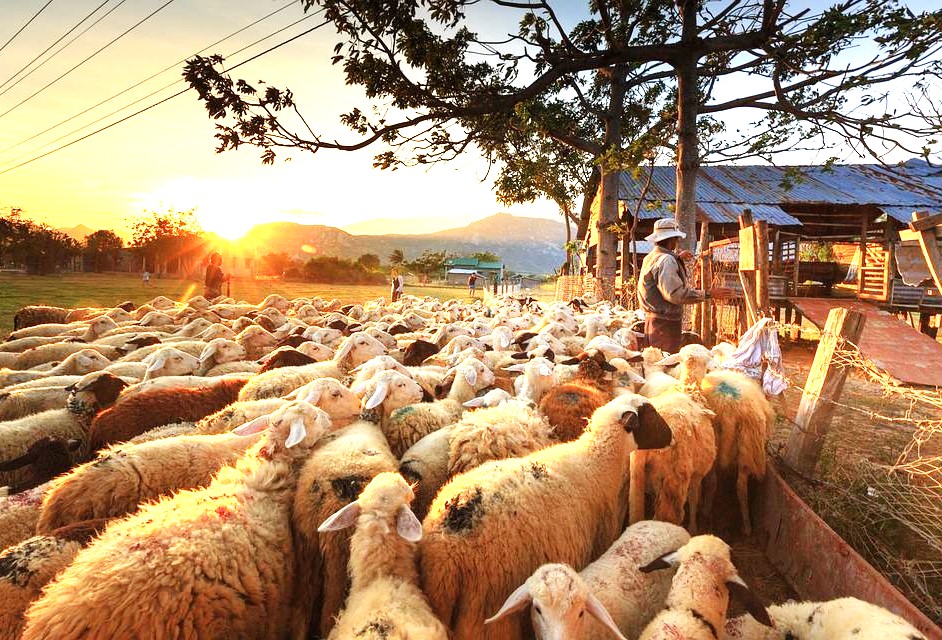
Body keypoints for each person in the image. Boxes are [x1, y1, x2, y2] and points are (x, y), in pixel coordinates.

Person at [638, 218, 732, 353]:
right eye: (676, 239)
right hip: (665, 325)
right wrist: (708, 293)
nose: (676, 243)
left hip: (653, 321)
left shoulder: (652, 257)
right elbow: (675, 294)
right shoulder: (667, 260)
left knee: (654, 363)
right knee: (666, 365)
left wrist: (677, 258)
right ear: (672, 240)